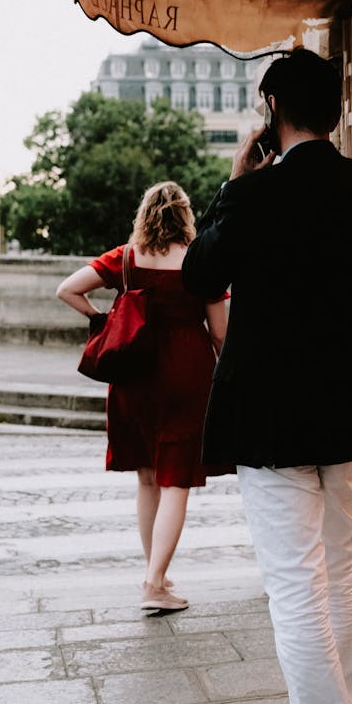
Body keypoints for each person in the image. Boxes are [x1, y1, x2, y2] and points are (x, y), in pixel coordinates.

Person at [182, 48, 352, 704]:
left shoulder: (256, 197)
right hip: (349, 411)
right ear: (339, 111)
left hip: (271, 416)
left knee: (295, 585)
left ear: (272, 108)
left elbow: (198, 277)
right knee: (340, 572)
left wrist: (232, 184)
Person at [56, 181, 232, 613]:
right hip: (185, 375)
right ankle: (155, 582)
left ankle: (155, 572)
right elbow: (221, 333)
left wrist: (102, 317)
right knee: (177, 480)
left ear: (145, 214)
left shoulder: (127, 258)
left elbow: (67, 289)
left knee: (148, 477)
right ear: (185, 216)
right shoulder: (199, 263)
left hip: (135, 375)